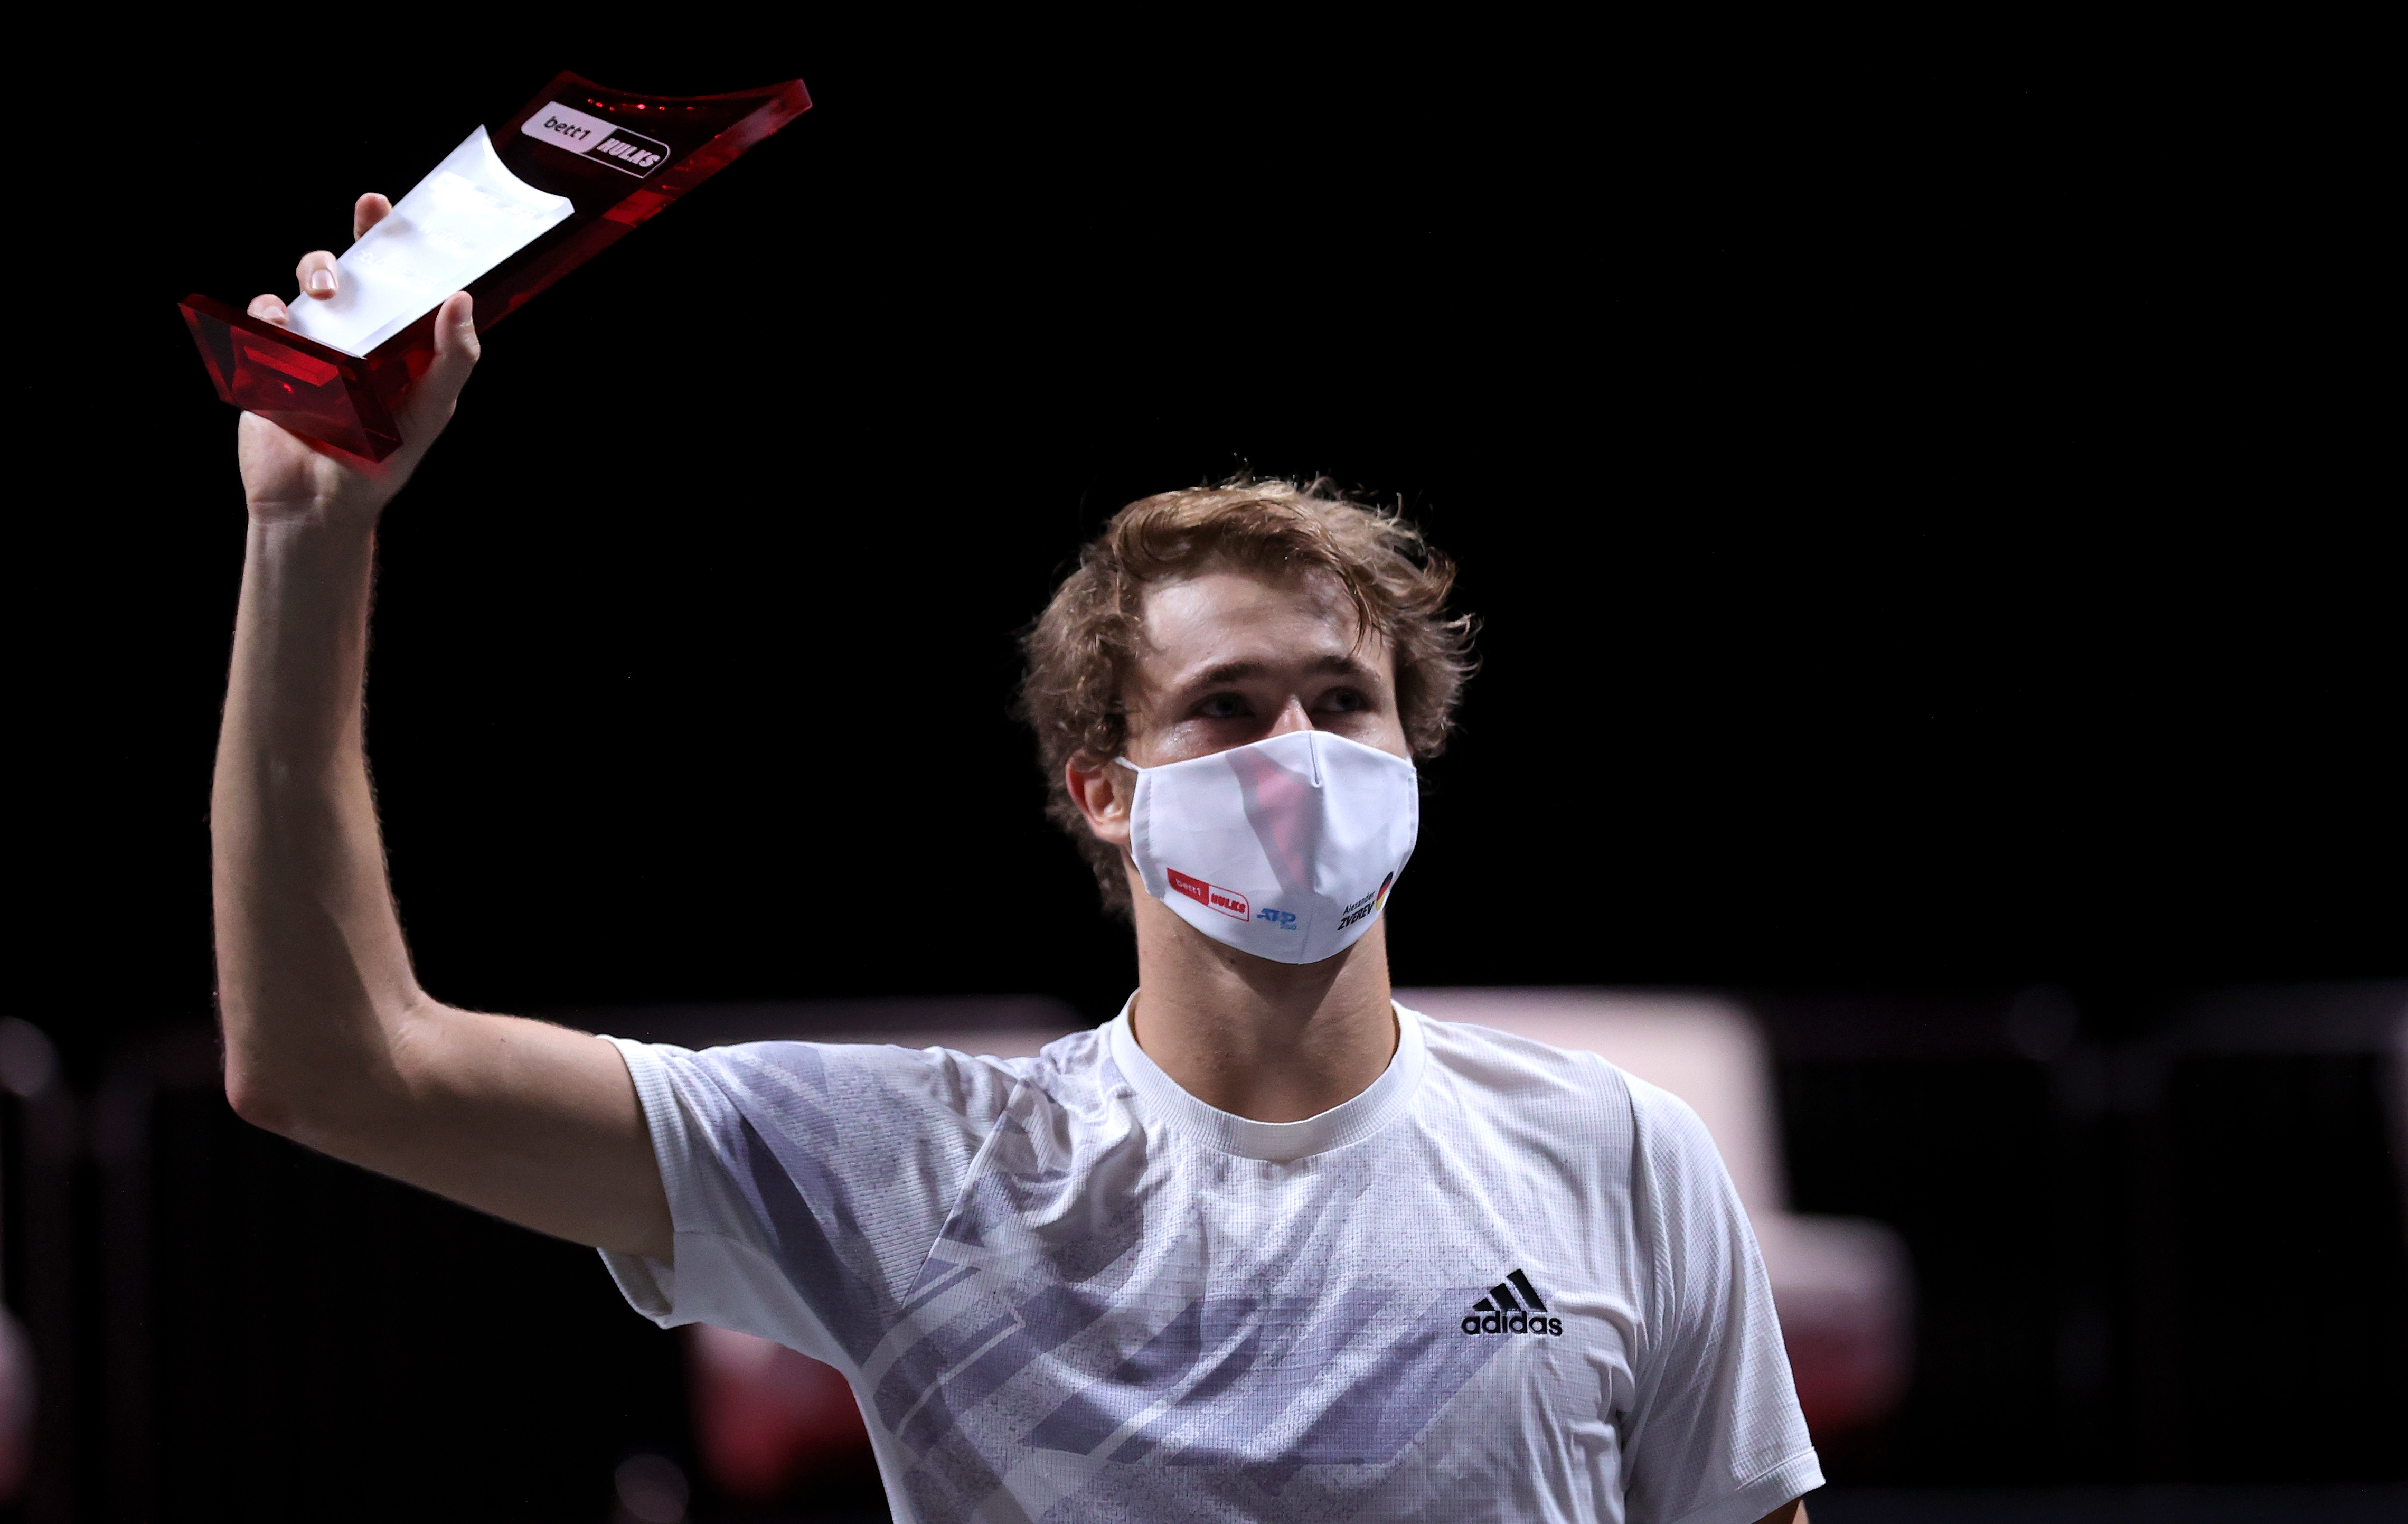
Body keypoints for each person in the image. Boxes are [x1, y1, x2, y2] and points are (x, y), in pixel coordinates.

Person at [215, 195, 1821, 1524]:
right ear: (1105, 791)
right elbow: (339, 1065)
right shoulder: (917, 1167)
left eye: (1346, 702)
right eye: (1229, 709)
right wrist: (311, 533)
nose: (1303, 753)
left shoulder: (1620, 1157)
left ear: (1414, 751)